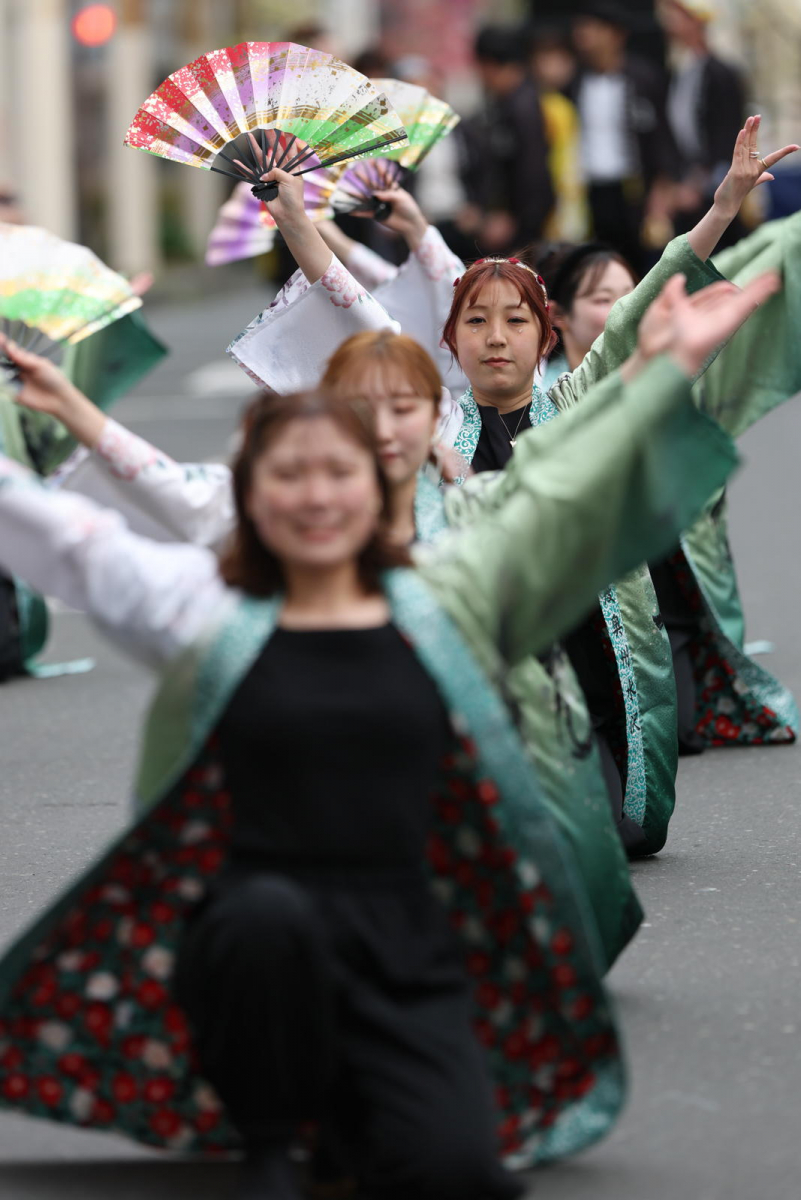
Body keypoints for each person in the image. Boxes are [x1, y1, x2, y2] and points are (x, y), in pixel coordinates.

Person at [0, 315, 747, 1192]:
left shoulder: (445, 590)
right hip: (255, 934)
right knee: (264, 918)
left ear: (378, 477)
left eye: (337, 474)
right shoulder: (201, 609)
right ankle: (272, 1133)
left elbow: (567, 494)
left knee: (456, 1170)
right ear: (247, 493)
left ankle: (357, 1104)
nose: (315, 497)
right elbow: (67, 541)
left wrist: (664, 374)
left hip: (411, 937)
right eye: (289, 477)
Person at [228, 116, 791, 855]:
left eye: (515, 321)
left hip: (594, 637)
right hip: (488, 644)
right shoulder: (435, 420)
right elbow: (348, 301)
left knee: (630, 831)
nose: (496, 337)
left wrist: (720, 208)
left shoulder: (578, 400)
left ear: (544, 334)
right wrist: (295, 217)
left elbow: (639, 309)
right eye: (478, 321)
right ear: (449, 340)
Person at [533, 176, 801, 756]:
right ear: (558, 316)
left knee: (681, 734)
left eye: (627, 295)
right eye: (603, 298)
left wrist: (725, 207)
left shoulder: (667, 377)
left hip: (666, 596)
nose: (621, 308)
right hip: (585, 598)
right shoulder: (547, 397)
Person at [570, 1, 679, 271]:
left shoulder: (643, 78)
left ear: (616, 35)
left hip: (632, 189)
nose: (585, 35)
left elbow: (662, 139)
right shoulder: (576, 81)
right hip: (589, 188)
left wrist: (662, 192)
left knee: (638, 263)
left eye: (595, 28)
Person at [658, 0, 747, 247]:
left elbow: (727, 133)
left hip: (713, 187)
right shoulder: (680, 71)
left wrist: (698, 182)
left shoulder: (721, 73)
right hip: (687, 184)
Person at [463, 26, 555, 254]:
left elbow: (532, 173)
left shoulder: (523, 108)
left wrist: (517, 224)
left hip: (522, 229)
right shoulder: (506, 104)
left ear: (490, 65)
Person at [528, 25, 590, 242]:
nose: (556, 67)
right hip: (552, 198)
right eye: (548, 60)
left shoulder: (570, 102)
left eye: (562, 60)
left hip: (572, 194)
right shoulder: (539, 106)